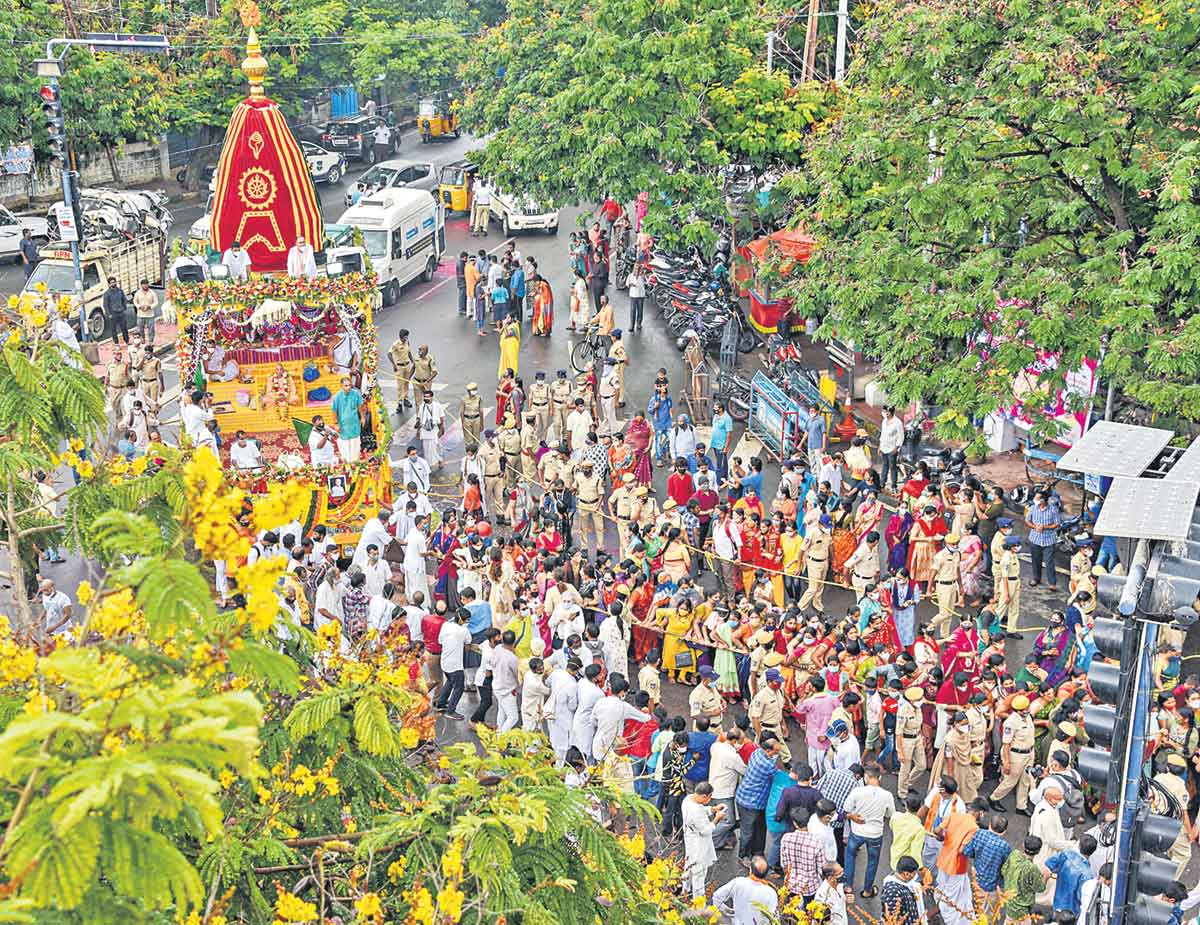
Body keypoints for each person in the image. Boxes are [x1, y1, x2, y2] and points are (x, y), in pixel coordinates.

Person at [842, 764, 894, 899]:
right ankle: (867, 890)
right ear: (880, 777)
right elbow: (890, 814)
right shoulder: (887, 795)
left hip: (857, 832)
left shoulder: (857, 791)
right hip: (875, 834)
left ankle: (848, 886)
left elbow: (846, 808)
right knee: (872, 861)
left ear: (866, 777)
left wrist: (854, 815)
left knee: (850, 856)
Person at [711, 856, 779, 925]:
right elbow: (773, 918)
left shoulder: (738, 882)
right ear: (766, 874)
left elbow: (716, 897)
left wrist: (726, 911)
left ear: (750, 870)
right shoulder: (771, 892)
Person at [682, 782, 721, 899]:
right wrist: (716, 819)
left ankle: (684, 889)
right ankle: (698, 902)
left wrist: (712, 809)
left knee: (688, 866)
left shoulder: (689, 799)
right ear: (705, 796)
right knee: (699, 873)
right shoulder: (695, 812)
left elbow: (701, 809)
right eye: (710, 797)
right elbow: (705, 830)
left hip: (690, 839)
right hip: (698, 844)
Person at [434, 609, 472, 720]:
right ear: (461, 620)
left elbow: (440, 641)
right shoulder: (463, 631)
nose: (467, 622)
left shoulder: (445, 625)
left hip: (445, 662)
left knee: (450, 682)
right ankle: (451, 711)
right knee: (459, 688)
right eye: (466, 620)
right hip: (456, 665)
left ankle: (440, 704)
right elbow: (468, 642)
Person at [1003, 836, 1047, 925]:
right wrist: (1046, 876)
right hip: (1022, 909)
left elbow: (1004, 870)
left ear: (1023, 845)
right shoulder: (1032, 868)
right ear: (1038, 851)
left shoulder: (1014, 854)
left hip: (1009, 901)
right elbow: (1040, 888)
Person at [1025, 490, 1062, 588]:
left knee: (1049, 562)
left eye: (1037, 498)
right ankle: (1036, 578)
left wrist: (1045, 527)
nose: (1035, 500)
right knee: (1036, 560)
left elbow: (1057, 523)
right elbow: (1027, 521)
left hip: (1049, 540)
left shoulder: (1053, 510)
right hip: (1035, 539)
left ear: (1043, 500)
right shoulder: (1033, 508)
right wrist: (1034, 526)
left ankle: (1052, 583)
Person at [331, 378, 365, 462]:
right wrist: (336, 424)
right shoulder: (337, 397)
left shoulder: (356, 394)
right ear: (341, 386)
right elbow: (334, 411)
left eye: (350, 385)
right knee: (345, 447)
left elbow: (360, 406)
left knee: (355, 445)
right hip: (343, 426)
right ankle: (347, 465)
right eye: (346, 385)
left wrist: (363, 417)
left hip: (354, 425)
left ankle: (355, 463)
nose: (348, 387)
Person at [415, 390, 446, 470]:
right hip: (424, 431)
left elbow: (442, 417)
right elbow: (419, 418)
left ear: (432, 397)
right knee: (426, 449)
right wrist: (418, 431)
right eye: (425, 396)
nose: (426, 398)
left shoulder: (437, 405)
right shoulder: (422, 406)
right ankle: (428, 464)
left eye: (428, 396)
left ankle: (440, 461)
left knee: (435, 448)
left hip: (434, 430)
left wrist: (442, 428)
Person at [102, 276, 131, 345]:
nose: (113, 284)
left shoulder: (120, 291)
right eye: (111, 283)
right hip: (113, 314)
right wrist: (109, 314)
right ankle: (116, 343)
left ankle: (127, 341)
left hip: (121, 312)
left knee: (124, 327)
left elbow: (124, 300)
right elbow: (106, 305)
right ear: (109, 284)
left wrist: (124, 308)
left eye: (114, 282)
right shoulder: (107, 294)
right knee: (113, 329)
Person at [132, 278, 158, 344]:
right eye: (143, 285)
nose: (145, 286)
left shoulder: (152, 293)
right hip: (140, 315)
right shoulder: (138, 293)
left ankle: (151, 341)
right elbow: (135, 301)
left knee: (151, 329)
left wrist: (150, 306)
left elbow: (156, 302)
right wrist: (139, 307)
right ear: (141, 285)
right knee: (140, 329)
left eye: (146, 284)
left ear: (148, 285)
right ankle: (142, 339)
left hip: (150, 314)